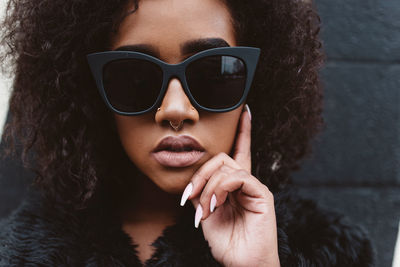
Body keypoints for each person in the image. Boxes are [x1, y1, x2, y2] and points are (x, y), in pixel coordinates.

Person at [0, 0, 375, 266]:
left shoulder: (332, 252)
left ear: (260, 85)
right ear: (91, 93)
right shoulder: (16, 253)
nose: (175, 111)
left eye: (214, 74)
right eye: (135, 78)